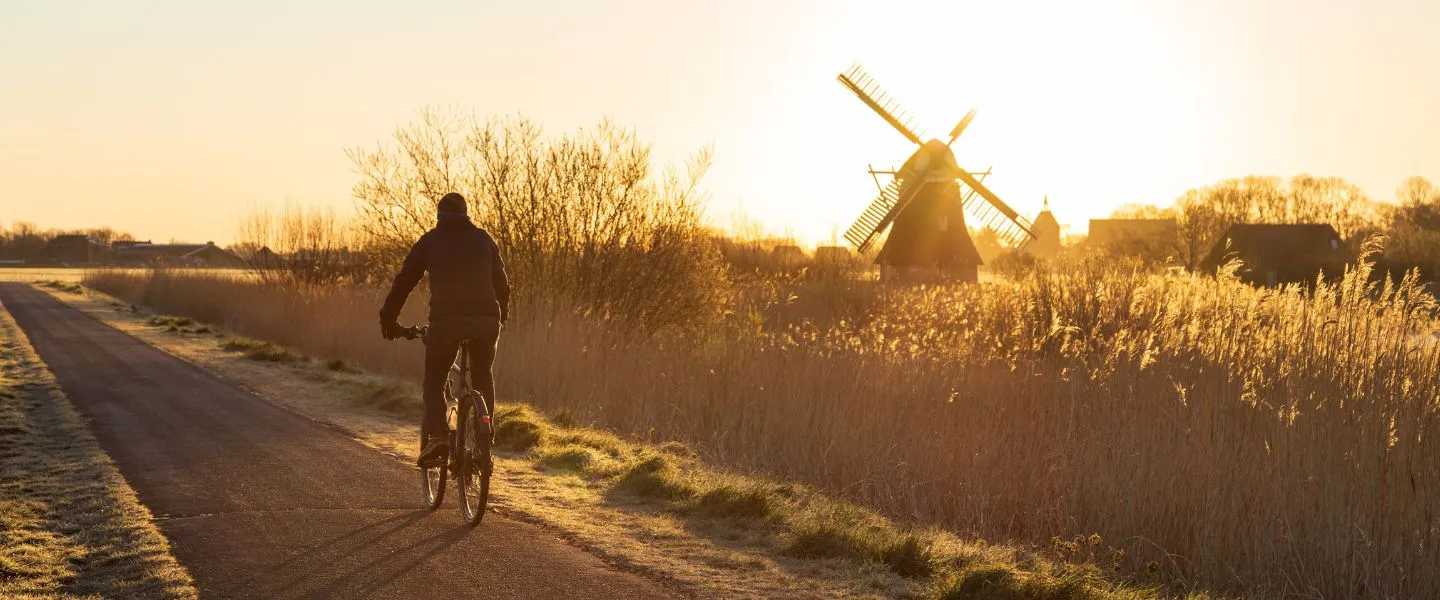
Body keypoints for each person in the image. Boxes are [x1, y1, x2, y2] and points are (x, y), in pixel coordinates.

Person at [379, 192, 510, 466]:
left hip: (446, 323)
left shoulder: (431, 241)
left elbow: (404, 282)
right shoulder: (484, 239)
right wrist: (501, 318)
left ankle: (438, 436)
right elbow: (502, 285)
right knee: (483, 373)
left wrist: (388, 319)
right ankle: (485, 439)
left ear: (439, 216)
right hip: (486, 321)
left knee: (435, 379)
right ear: (466, 214)